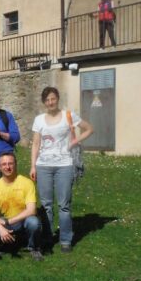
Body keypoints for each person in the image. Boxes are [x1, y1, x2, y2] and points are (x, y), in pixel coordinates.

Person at [30, 87, 93, 253]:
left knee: (64, 205)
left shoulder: (68, 115)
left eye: (53, 99)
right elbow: (36, 144)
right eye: (47, 100)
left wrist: (75, 141)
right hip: (43, 166)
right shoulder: (39, 120)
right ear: (44, 102)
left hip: (65, 165)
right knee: (46, 205)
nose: (51, 102)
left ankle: (65, 239)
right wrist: (33, 166)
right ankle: (47, 238)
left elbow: (89, 129)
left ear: (57, 99)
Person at [0, 152, 43, 260]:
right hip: (5, 221)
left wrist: (9, 222)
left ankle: (33, 248)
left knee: (33, 222)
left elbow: (32, 210)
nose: (7, 167)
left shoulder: (27, 183)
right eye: (4, 164)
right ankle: (3, 245)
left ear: (15, 164)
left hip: (23, 219)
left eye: (10, 163)